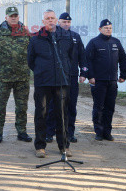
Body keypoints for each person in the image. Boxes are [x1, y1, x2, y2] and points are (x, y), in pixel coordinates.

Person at [27, 9, 74, 158]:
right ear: (43, 21)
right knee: (41, 113)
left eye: (52, 18)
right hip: (43, 82)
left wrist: (65, 71)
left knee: (61, 114)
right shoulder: (35, 39)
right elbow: (31, 61)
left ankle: (64, 146)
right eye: (47, 18)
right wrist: (41, 71)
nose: (50, 21)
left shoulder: (66, 37)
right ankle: (40, 146)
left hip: (61, 81)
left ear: (56, 20)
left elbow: (71, 57)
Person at [0, 6, 32, 143]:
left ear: (18, 17)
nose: (13, 18)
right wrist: (1, 64)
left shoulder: (26, 33)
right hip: (4, 77)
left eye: (15, 16)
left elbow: (32, 51)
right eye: (11, 16)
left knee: (22, 106)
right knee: (0, 105)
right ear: (6, 17)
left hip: (22, 77)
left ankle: (22, 131)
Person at [45, 12, 87, 144]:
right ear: (59, 22)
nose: (66, 24)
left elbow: (82, 56)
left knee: (71, 105)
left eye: (68, 22)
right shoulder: (53, 36)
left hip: (72, 76)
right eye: (64, 22)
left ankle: (70, 133)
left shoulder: (75, 37)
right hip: (56, 77)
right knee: (53, 105)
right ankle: (49, 132)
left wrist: (83, 73)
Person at [85, 19, 126, 141]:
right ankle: (99, 131)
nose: (108, 29)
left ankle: (107, 132)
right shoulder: (94, 43)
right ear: (100, 29)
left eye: (110, 28)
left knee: (110, 107)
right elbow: (87, 60)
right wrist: (90, 76)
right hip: (98, 81)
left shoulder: (116, 42)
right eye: (105, 28)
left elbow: (124, 59)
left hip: (112, 81)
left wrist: (123, 75)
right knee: (99, 107)